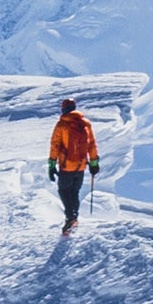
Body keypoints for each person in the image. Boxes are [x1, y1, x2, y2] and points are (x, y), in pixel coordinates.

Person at [48, 98, 101, 233]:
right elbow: (92, 144)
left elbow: (55, 145)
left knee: (63, 190)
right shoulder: (85, 123)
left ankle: (70, 217)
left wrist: (52, 165)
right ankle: (74, 218)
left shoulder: (62, 124)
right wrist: (94, 163)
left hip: (67, 166)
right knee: (74, 192)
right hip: (81, 166)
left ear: (63, 109)